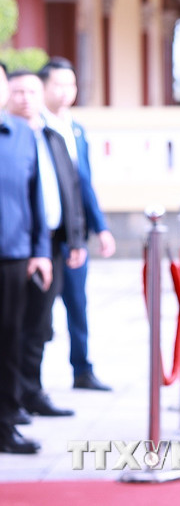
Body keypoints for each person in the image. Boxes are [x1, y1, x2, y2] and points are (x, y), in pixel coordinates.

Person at [5, 71, 86, 420]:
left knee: (39, 324)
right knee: (14, 324)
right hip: (14, 246)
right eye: (18, 91)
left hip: (50, 243)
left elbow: (72, 187)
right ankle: (13, 396)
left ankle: (32, 390)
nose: (25, 98)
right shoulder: (9, 137)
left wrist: (76, 237)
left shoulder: (53, 136)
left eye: (32, 91)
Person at [40, 57, 115, 392]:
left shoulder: (76, 129)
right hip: (43, 237)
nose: (66, 91)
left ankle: (82, 369)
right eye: (58, 84)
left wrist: (100, 228)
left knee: (78, 306)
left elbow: (84, 183)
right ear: (44, 87)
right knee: (38, 314)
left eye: (70, 84)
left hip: (74, 235)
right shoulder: (35, 128)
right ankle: (31, 384)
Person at [0, 63, 52, 454]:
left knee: (9, 343)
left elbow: (36, 200)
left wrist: (41, 253)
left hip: (13, 258)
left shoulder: (21, 135)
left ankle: (6, 425)